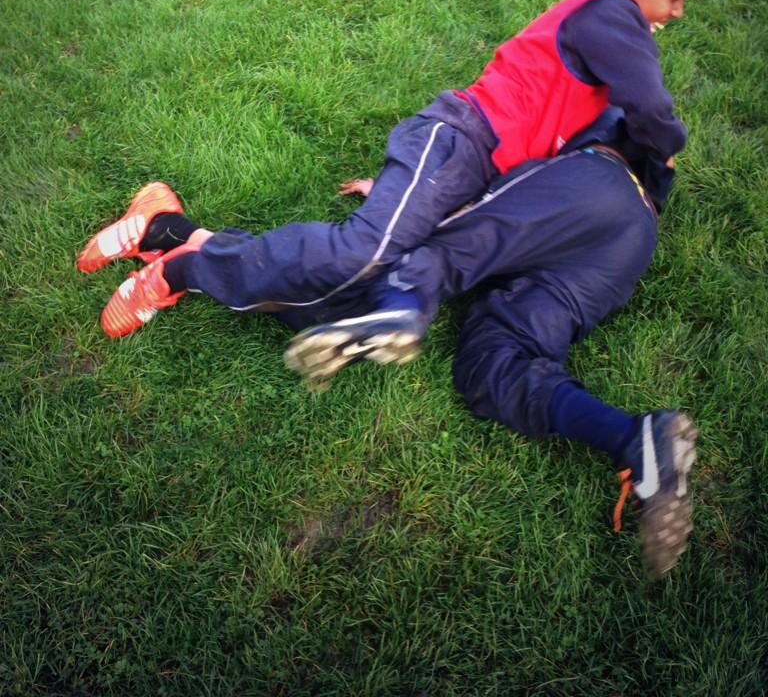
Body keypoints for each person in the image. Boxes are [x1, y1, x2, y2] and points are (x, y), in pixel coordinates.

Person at [77, 109, 696, 578]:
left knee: (403, 264)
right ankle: (632, 438)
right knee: (495, 361)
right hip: (632, 240)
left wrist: (417, 199)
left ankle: (181, 255)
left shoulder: (591, 98)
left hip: (591, 181)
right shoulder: (637, 122)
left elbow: (515, 145)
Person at [78, 0, 700, 331]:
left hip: (476, 171)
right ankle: (175, 273)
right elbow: (652, 107)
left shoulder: (603, 21)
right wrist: (666, 154)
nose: (675, 13)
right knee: (360, 251)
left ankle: (170, 228)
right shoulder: (611, 12)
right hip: (460, 140)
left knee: (351, 297)